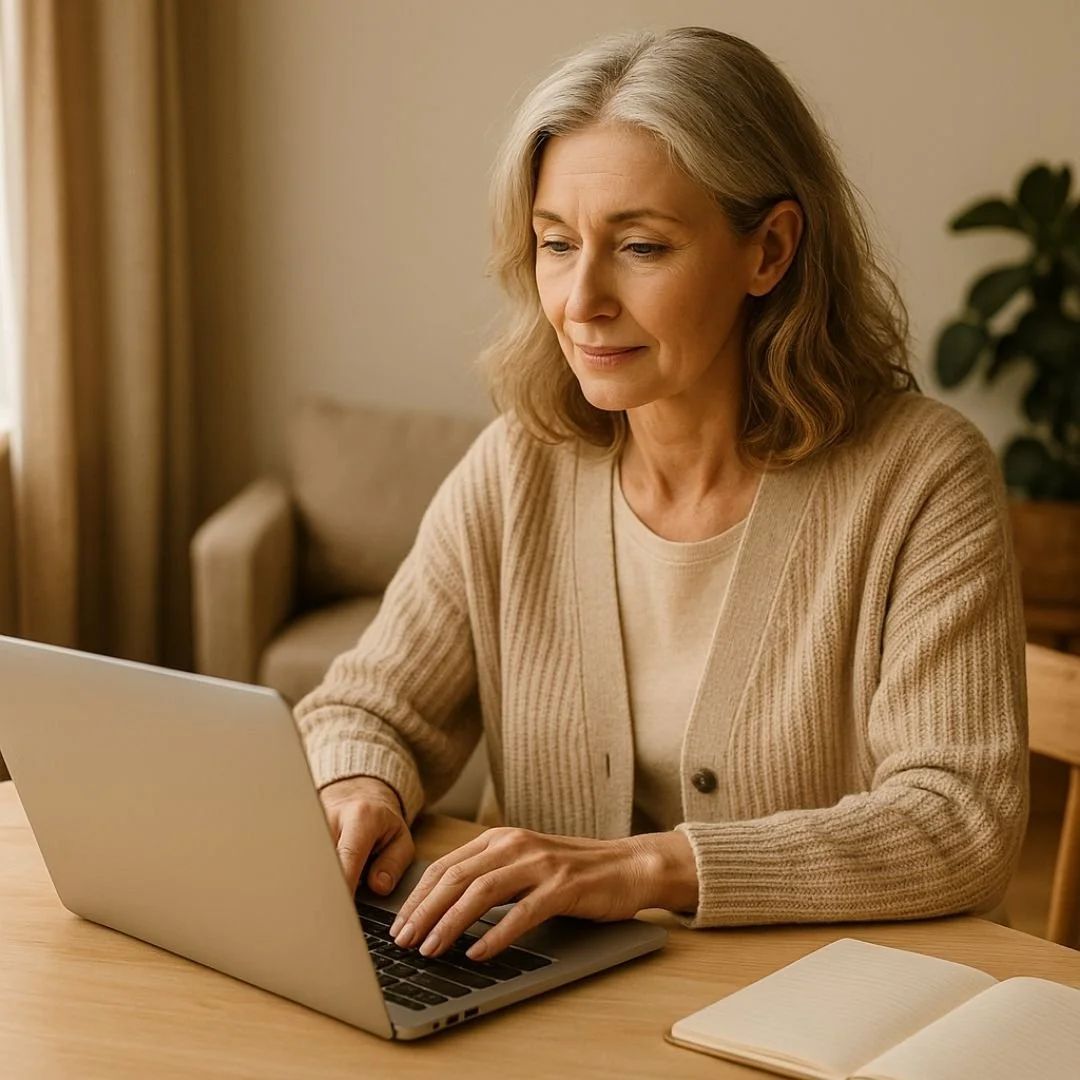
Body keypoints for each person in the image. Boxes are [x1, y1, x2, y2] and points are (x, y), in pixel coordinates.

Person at [295, 26, 1027, 964]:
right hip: (556, 1009)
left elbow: (957, 819)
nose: (581, 299)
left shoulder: (923, 479)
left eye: (640, 246)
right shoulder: (520, 465)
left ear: (768, 252)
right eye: (556, 244)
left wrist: (647, 870)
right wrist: (359, 788)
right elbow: (364, 709)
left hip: (825, 1012)